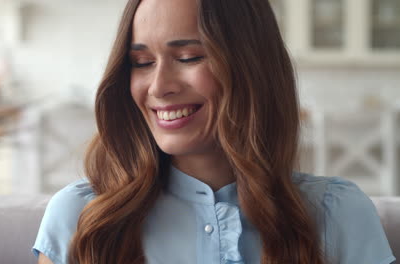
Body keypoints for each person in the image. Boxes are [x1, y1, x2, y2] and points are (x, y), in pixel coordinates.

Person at [32, 0, 396, 263]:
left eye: (189, 57)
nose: (159, 86)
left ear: (251, 66)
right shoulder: (81, 217)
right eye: (141, 63)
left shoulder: (337, 213)